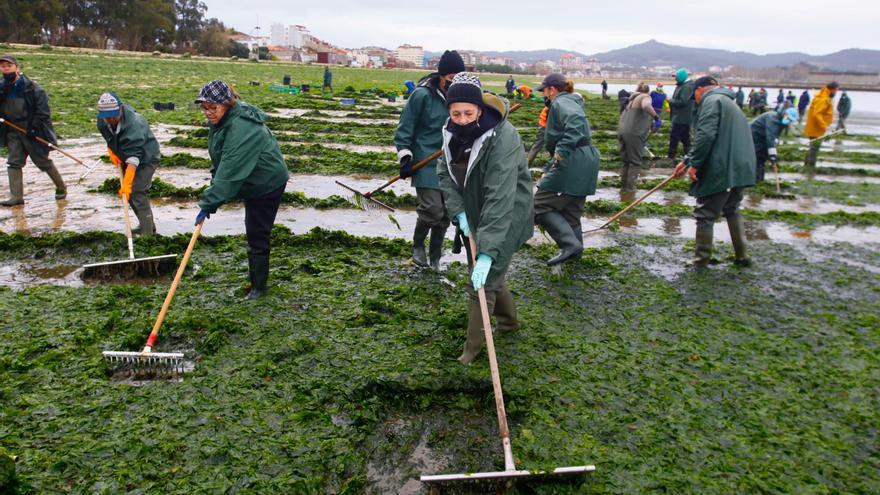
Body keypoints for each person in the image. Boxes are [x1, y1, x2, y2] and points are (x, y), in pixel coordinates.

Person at [436, 73, 533, 365]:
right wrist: (460, 213)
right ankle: (510, 324)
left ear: (479, 109)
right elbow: (444, 173)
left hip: (508, 214)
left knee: (482, 282)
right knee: (489, 275)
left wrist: (488, 252)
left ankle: (471, 352)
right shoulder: (451, 132)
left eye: (468, 112)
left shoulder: (503, 139)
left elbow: (499, 198)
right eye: (456, 113)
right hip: (474, 211)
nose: (462, 119)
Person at [193, 80, 290, 300]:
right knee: (253, 230)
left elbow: (231, 171)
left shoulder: (242, 127)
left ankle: (258, 288)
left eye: (212, 107)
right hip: (250, 178)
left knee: (257, 233)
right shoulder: (223, 119)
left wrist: (209, 202)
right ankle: (256, 281)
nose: (208, 112)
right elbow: (222, 154)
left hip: (266, 182)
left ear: (227, 103)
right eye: (204, 107)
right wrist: (215, 173)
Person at [673, 76, 755, 268]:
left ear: (699, 89)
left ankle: (701, 260)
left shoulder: (711, 101)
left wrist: (695, 164)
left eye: (695, 96)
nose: (696, 101)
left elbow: (706, 135)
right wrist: (686, 161)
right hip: (740, 167)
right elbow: (715, 136)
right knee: (731, 210)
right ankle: (742, 256)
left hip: (723, 166)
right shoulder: (728, 102)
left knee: (705, 214)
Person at [395, 50, 464, 269]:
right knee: (432, 209)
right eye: (452, 76)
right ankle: (417, 247)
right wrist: (405, 158)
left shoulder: (459, 98)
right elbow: (405, 129)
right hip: (425, 160)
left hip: (450, 162)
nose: (455, 82)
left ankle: (434, 257)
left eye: (459, 76)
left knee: (445, 214)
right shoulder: (422, 95)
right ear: (442, 75)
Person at [534, 73, 600, 266]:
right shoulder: (572, 100)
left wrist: (560, 153)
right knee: (571, 213)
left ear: (552, 89)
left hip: (573, 159)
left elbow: (575, 122)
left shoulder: (561, 102)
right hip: (585, 158)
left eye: (544, 91)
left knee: (539, 205)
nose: (544, 95)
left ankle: (569, 244)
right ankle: (574, 258)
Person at [0, 54, 66, 206]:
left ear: (17, 67)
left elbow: (43, 112)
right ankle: (16, 197)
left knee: (43, 162)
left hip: (30, 130)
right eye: (3, 66)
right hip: (12, 130)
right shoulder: (2, 87)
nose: (5, 68)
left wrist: (33, 128)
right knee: (14, 162)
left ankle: (61, 188)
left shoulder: (32, 88)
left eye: (8, 65)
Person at [96, 92, 160, 235]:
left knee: (137, 191)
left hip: (146, 158)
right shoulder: (102, 122)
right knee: (129, 195)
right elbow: (109, 138)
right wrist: (112, 151)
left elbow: (134, 157)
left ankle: (148, 233)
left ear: (120, 108)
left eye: (114, 115)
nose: (111, 119)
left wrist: (127, 182)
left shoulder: (135, 123)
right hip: (125, 156)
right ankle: (147, 224)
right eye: (107, 116)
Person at [619, 83, 659, 192]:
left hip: (622, 131)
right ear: (648, 91)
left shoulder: (630, 100)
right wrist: (656, 117)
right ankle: (630, 189)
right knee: (635, 162)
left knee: (626, 161)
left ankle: (624, 188)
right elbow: (646, 106)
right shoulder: (645, 97)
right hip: (634, 133)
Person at [750, 107, 798, 182]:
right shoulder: (773, 119)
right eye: (789, 119)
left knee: (762, 158)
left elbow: (775, 136)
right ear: (785, 114)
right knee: (758, 157)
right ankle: (755, 179)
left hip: (763, 138)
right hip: (754, 136)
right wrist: (772, 155)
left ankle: (759, 179)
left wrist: (774, 147)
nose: (789, 121)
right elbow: (770, 137)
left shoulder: (781, 121)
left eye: (790, 120)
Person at [803, 81, 839, 169]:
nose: (836, 92)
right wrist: (825, 126)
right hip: (816, 128)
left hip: (815, 128)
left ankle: (807, 166)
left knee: (812, 148)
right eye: (836, 90)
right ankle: (810, 167)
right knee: (814, 149)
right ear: (833, 89)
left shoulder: (822, 96)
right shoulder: (823, 99)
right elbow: (817, 114)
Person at [667, 68, 694, 161]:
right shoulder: (683, 85)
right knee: (685, 138)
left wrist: (670, 101)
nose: (675, 79)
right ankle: (689, 157)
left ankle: (671, 157)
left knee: (674, 138)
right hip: (682, 117)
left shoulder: (687, 87)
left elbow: (683, 102)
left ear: (681, 77)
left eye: (676, 77)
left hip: (681, 118)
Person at [526, 98, 551, 165]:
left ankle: (526, 164)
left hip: (543, 125)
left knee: (537, 146)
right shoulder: (554, 105)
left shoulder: (551, 103)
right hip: (546, 126)